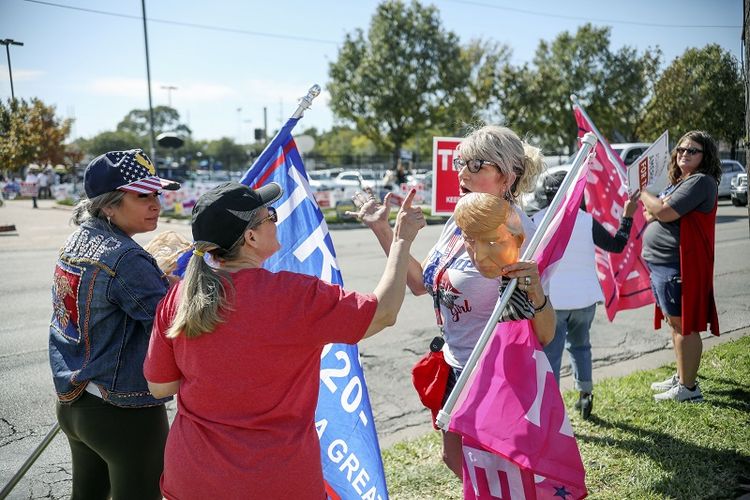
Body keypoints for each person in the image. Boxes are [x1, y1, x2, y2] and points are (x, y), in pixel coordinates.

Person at [143, 182, 426, 499]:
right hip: (275, 480)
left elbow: (160, 386)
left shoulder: (178, 296)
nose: (276, 222)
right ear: (250, 237)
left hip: (193, 476)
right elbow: (384, 312)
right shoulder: (295, 296)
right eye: (271, 216)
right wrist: (401, 240)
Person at [349, 124, 555, 477]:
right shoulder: (461, 220)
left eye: (476, 165)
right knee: (456, 460)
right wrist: (384, 229)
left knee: (495, 470)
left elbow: (544, 334)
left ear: (507, 176)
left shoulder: (518, 235)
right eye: (461, 162)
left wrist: (534, 291)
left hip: (493, 374)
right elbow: (420, 284)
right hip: (454, 362)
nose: (461, 172)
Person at [49, 149, 180, 499]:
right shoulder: (126, 257)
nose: (157, 203)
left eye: (157, 193)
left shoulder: (77, 240)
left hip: (74, 403)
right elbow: (173, 326)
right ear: (108, 205)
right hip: (123, 413)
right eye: (143, 196)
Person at [532, 171, 638, 419]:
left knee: (551, 357)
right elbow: (617, 245)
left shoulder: (536, 221)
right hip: (586, 300)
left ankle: (552, 412)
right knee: (581, 347)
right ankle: (585, 394)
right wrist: (627, 217)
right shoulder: (586, 220)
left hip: (551, 302)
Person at [639, 130, 721, 403]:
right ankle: (682, 376)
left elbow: (662, 212)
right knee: (674, 323)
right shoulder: (682, 181)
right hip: (662, 263)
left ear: (705, 156)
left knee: (684, 325)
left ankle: (689, 388)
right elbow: (658, 210)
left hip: (677, 264)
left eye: (692, 150)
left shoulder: (700, 181)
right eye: (681, 149)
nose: (684, 153)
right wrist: (657, 206)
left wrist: (644, 194)